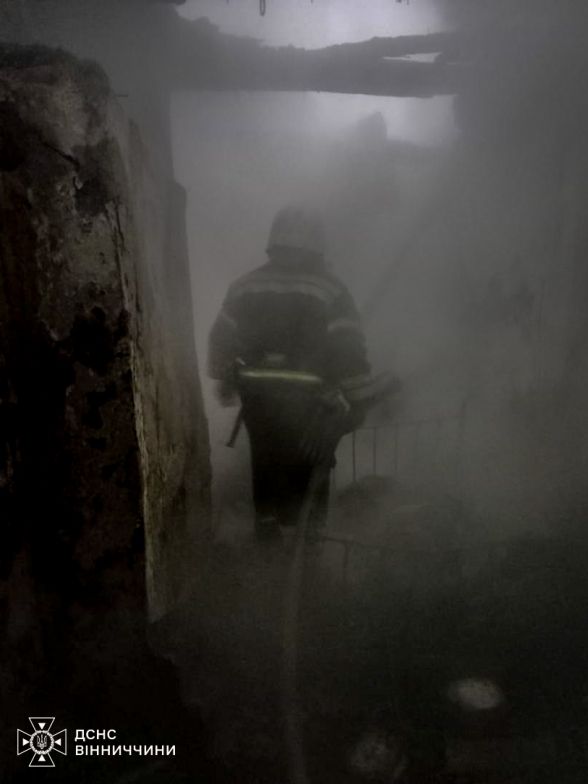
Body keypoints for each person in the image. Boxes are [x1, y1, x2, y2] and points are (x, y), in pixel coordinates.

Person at [208, 205, 380, 540]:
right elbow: (348, 351)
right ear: (318, 246)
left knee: (265, 466)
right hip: (311, 406)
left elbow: (221, 340)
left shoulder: (245, 286)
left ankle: (267, 541)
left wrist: (225, 378)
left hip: (258, 403)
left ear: (274, 243)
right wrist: (359, 400)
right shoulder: (331, 289)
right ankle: (307, 549)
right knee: (311, 472)